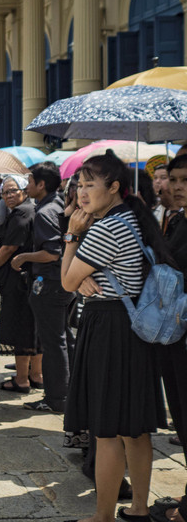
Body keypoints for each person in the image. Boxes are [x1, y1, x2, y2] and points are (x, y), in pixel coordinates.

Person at [61, 150, 168, 522]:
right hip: (130, 328)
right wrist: (80, 272)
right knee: (134, 429)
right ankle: (138, 508)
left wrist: (72, 235)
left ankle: (102, 516)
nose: (81, 192)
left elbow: (67, 280)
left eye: (91, 184)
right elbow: (77, 280)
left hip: (109, 328)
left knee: (107, 431)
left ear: (115, 188)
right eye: (79, 183)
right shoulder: (129, 219)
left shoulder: (107, 227)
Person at [11, 161, 74, 413]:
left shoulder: (46, 212)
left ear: (42, 184)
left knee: (54, 342)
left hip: (50, 284)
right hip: (61, 283)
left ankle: (56, 398)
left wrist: (24, 257)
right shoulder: (57, 205)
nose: (26, 187)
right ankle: (67, 393)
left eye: (29, 182)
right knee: (64, 339)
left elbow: (52, 253)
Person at [149, 154, 187, 522]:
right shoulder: (177, 220)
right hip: (173, 336)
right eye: (173, 179)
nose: (176, 187)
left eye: (185, 180)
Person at [0, 175, 41, 394]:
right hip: (29, 280)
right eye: (5, 192)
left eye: (13, 190)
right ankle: (36, 374)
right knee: (32, 328)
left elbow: (8, 248)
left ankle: (22, 379)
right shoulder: (29, 210)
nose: (9, 195)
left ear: (24, 190)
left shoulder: (22, 213)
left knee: (22, 328)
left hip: (19, 281)